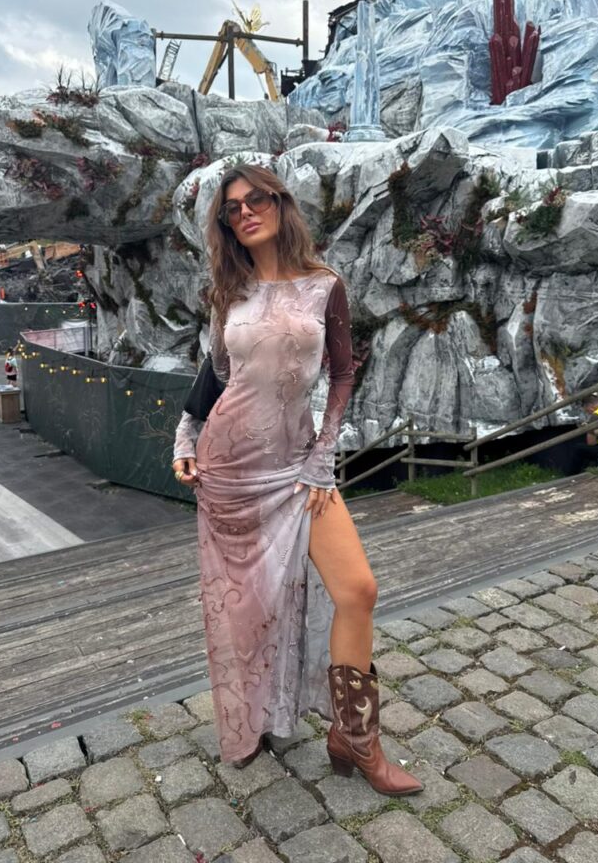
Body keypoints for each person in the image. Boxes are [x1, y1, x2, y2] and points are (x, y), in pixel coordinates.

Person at [171, 164, 422, 796]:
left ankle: (354, 737)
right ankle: (256, 722)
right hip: (229, 470)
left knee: (358, 589)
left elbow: (343, 373)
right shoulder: (227, 292)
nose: (245, 212)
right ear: (227, 225)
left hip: (299, 468)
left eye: (256, 199)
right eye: (232, 209)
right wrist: (184, 436)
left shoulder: (324, 286)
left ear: (281, 203)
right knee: (250, 609)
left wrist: (323, 454)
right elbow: (216, 373)